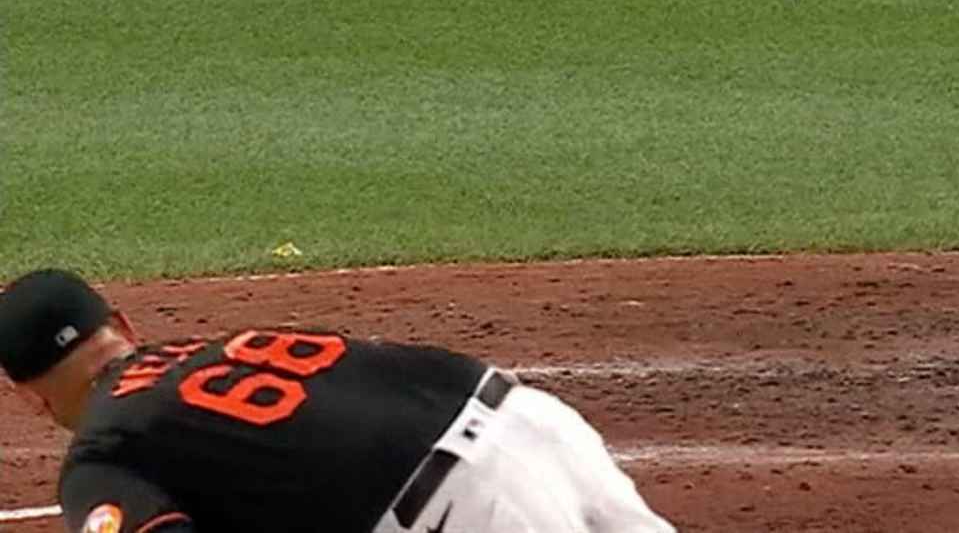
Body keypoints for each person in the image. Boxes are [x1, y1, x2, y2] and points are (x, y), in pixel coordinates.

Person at [0, 268, 677, 531]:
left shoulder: (103, 451)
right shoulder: (228, 347)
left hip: (468, 509)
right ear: (123, 326)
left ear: (32, 398)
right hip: (536, 424)